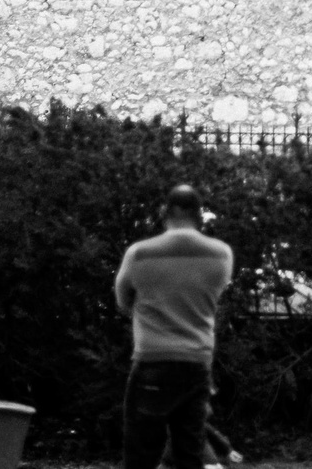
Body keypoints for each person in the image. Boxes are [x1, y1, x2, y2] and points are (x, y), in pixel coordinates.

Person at [114, 182, 234, 469]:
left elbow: (122, 301)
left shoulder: (139, 253)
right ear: (199, 214)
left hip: (152, 361)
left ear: (164, 212)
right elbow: (214, 293)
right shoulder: (221, 254)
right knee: (189, 453)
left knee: (140, 453)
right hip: (197, 363)